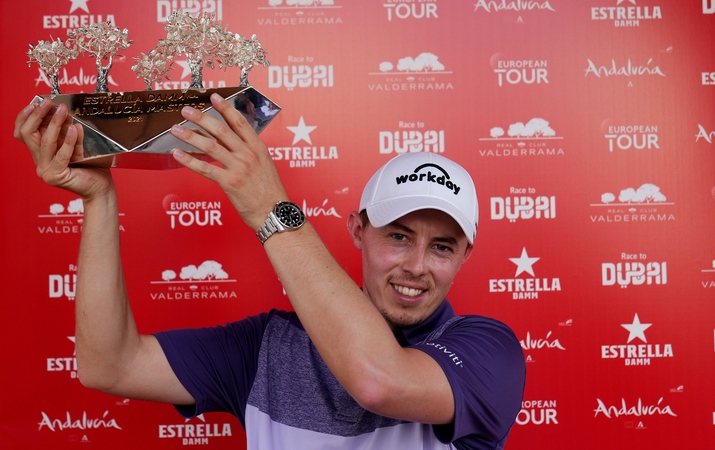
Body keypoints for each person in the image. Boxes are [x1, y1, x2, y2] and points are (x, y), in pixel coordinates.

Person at [14, 95, 526, 449]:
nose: (416, 266)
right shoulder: (270, 347)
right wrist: (99, 198)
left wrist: (268, 206)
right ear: (358, 231)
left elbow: (378, 380)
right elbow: (110, 366)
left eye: (441, 246)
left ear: (465, 257)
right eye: (398, 236)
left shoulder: (488, 351)